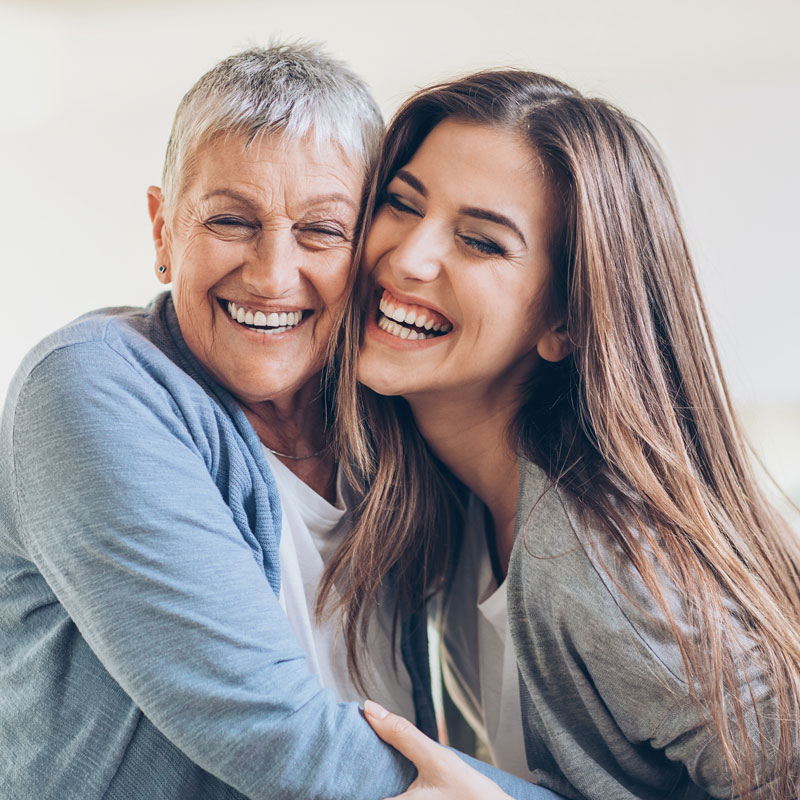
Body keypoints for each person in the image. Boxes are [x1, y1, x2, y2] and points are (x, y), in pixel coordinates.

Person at [0, 46, 549, 800]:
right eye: (230, 220)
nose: (272, 273)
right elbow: (281, 736)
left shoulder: (391, 431)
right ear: (163, 232)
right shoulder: (90, 385)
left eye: (322, 231)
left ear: (368, 253)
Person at [330, 70, 800, 799]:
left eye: (481, 242)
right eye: (401, 203)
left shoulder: (608, 564)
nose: (408, 258)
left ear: (566, 321)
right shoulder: (456, 513)